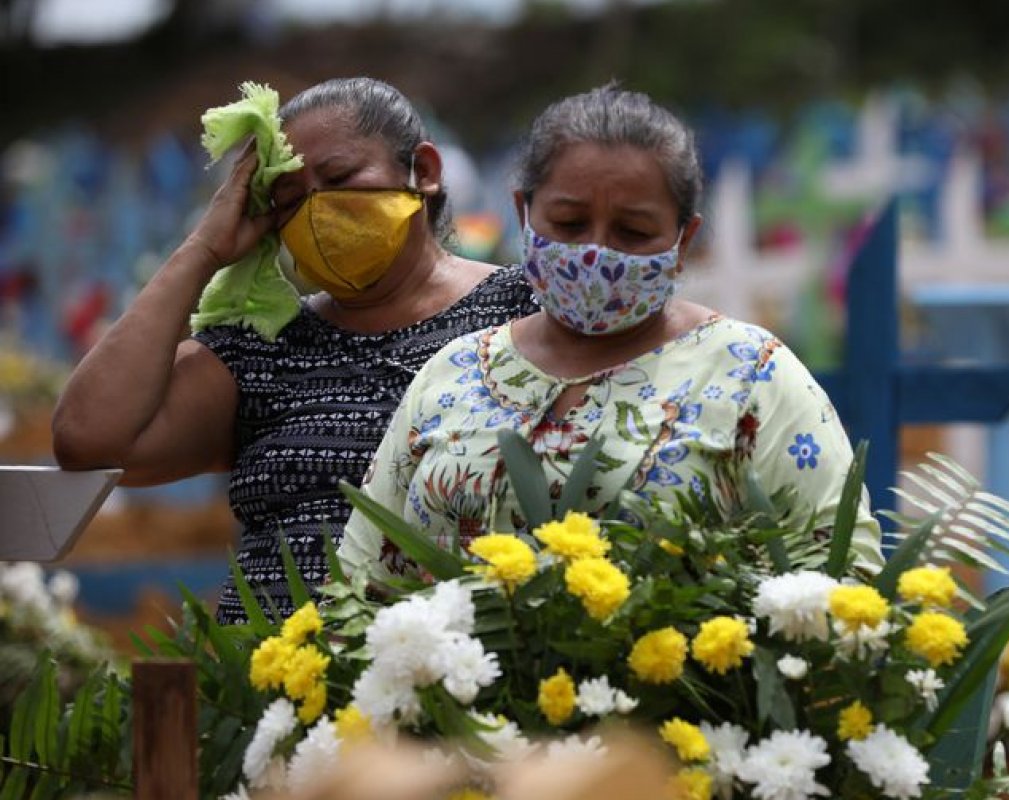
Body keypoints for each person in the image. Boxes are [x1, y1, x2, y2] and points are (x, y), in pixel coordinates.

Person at [338, 86, 879, 580]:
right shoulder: (452, 375)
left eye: (634, 231)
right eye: (570, 224)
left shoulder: (749, 374)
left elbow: (840, 577)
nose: (596, 252)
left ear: (683, 239)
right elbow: (364, 583)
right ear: (523, 212)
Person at [52, 77, 538, 623]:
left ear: (423, 172)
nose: (316, 210)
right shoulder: (262, 351)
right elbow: (87, 439)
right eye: (288, 200)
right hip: (270, 683)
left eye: (339, 178)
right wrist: (203, 249)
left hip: (458, 674)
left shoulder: (524, 311)